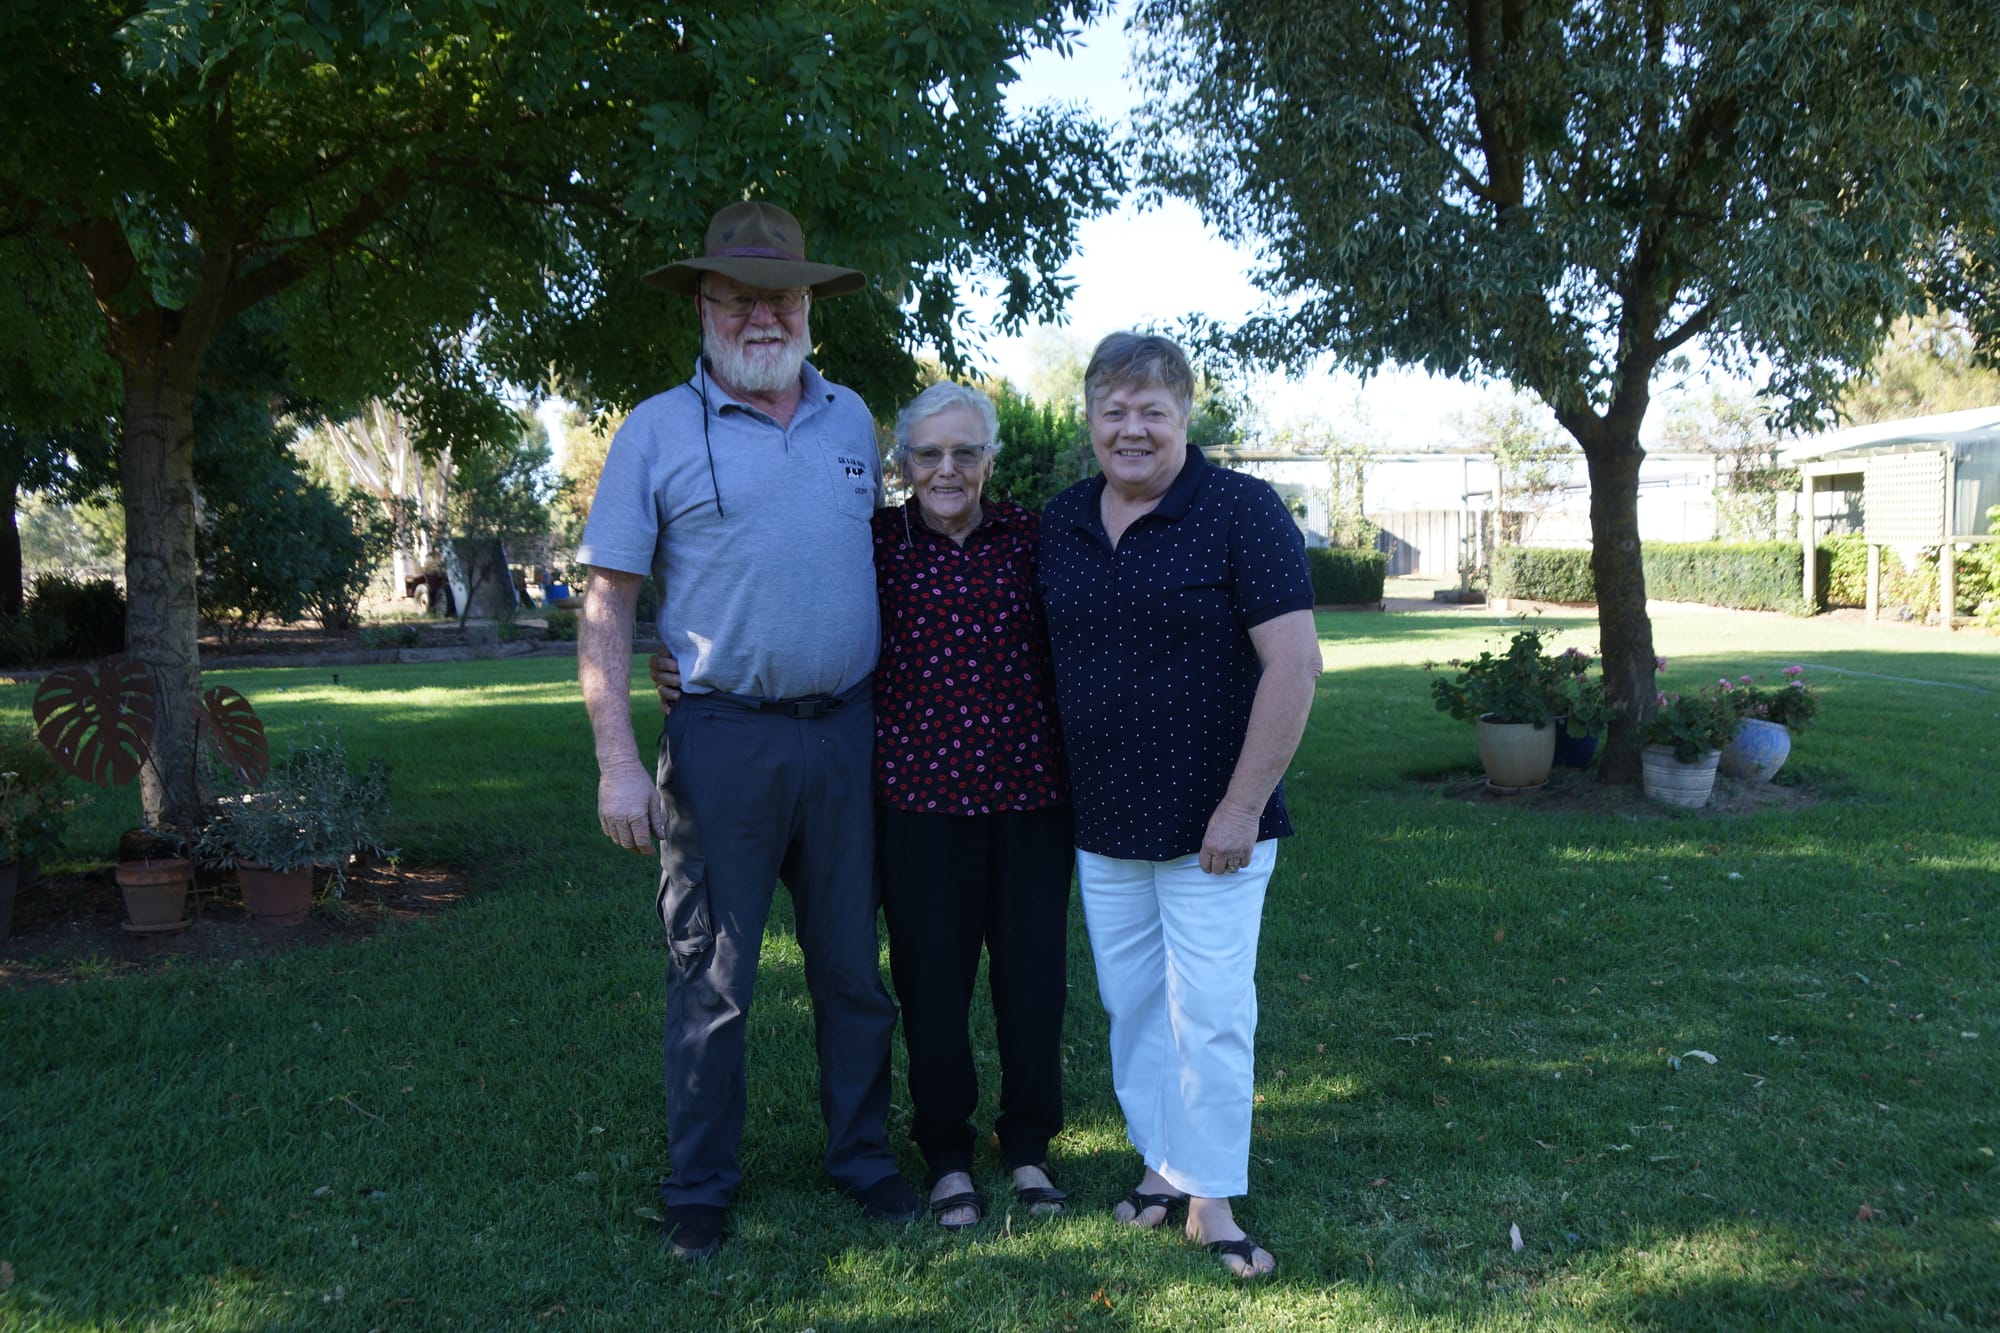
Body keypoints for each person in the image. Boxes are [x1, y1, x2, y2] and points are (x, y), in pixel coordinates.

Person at [576, 201, 921, 1262]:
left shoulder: (852, 420)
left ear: (808, 304)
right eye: (739, 295)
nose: (762, 314)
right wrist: (619, 762)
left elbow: (867, 563)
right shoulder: (653, 431)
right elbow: (607, 600)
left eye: (782, 294)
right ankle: (700, 1186)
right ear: (703, 304)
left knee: (852, 970)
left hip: (847, 733)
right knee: (712, 969)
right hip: (723, 738)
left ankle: (862, 1157)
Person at [650, 382, 1076, 1231]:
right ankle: (948, 1155)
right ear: (901, 466)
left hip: (1030, 796)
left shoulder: (1036, 536)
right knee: (931, 986)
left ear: (989, 459)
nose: (946, 469)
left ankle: (1028, 1144)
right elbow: (785, 598)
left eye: (965, 452)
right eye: (928, 453)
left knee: (1034, 982)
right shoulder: (875, 544)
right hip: (915, 802)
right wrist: (688, 654)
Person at [1037, 332, 1322, 1279]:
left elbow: (1294, 664)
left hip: (1216, 827)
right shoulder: (1064, 519)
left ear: (1184, 417)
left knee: (1209, 1011)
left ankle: (1213, 1199)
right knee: (1134, 1010)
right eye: (1114, 410)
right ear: (1089, 420)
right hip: (1105, 822)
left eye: (1152, 410)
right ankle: (1163, 1164)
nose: (1132, 428)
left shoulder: (1240, 510)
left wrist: (1242, 805)